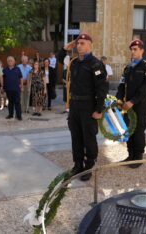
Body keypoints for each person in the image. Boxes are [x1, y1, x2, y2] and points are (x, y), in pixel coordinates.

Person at [57, 33, 108, 181]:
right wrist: (66, 48)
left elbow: (102, 89)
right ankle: (78, 164)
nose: (79, 45)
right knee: (76, 136)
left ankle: (89, 165)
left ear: (90, 45)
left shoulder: (96, 64)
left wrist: (99, 110)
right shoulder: (73, 61)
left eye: (83, 43)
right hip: (75, 106)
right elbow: (60, 58)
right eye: (78, 43)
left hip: (88, 106)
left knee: (89, 137)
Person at [116, 39, 146, 168]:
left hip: (140, 106)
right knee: (128, 130)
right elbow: (122, 85)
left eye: (135, 49)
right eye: (131, 50)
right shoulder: (128, 68)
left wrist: (132, 101)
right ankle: (130, 155)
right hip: (127, 105)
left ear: (142, 51)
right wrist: (119, 100)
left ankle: (138, 157)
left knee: (138, 131)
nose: (132, 52)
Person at [3, 56, 23, 121]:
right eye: (9, 60)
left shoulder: (18, 69)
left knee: (17, 102)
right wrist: (3, 88)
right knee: (10, 103)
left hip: (16, 89)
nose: (10, 62)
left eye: (11, 60)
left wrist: (21, 86)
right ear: (7, 62)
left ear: (14, 62)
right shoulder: (4, 70)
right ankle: (10, 115)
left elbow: (21, 78)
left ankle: (19, 116)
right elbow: (2, 79)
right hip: (8, 89)